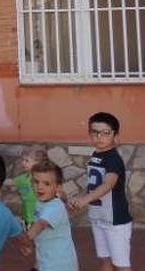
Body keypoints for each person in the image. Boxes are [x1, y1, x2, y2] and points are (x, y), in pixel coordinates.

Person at [69, 112, 132, 271]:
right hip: (99, 217)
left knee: (121, 265)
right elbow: (93, 184)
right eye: (95, 132)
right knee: (105, 260)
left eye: (106, 133)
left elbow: (107, 184)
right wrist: (81, 197)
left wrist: (85, 200)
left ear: (115, 135)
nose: (99, 137)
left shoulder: (113, 159)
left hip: (115, 221)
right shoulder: (97, 155)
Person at [27, 160, 79, 271]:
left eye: (47, 184)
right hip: (46, 261)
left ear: (58, 187)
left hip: (59, 265)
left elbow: (40, 224)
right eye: (36, 182)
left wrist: (25, 239)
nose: (40, 187)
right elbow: (62, 195)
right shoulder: (41, 202)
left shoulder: (54, 207)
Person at [14, 147, 48, 229]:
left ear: (38, 163)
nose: (23, 163)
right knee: (28, 239)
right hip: (26, 218)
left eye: (27, 161)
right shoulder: (22, 179)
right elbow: (11, 183)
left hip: (41, 219)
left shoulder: (45, 179)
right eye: (23, 160)